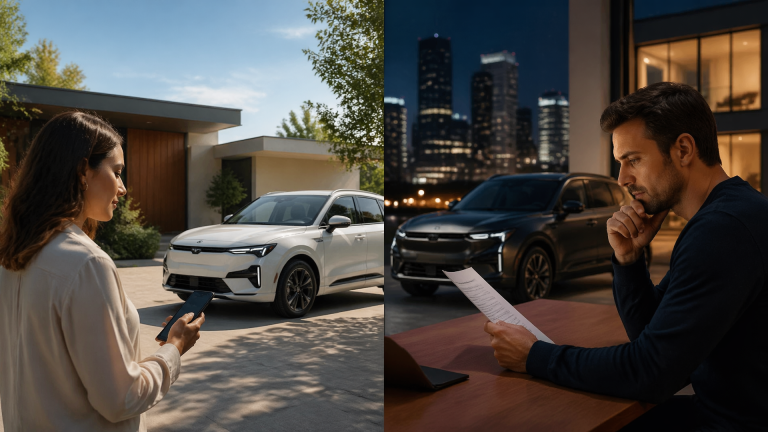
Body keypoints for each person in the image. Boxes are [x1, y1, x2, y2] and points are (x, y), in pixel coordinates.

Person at [484, 82, 768, 431]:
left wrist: (534, 356)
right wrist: (629, 260)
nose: (622, 179)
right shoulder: (727, 215)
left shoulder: (723, 230)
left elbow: (650, 372)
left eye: (633, 160)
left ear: (683, 149)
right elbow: (653, 337)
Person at [0, 111, 205, 431]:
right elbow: (121, 398)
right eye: (117, 172)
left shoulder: (13, 256)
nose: (123, 188)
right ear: (83, 171)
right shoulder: (87, 264)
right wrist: (174, 348)